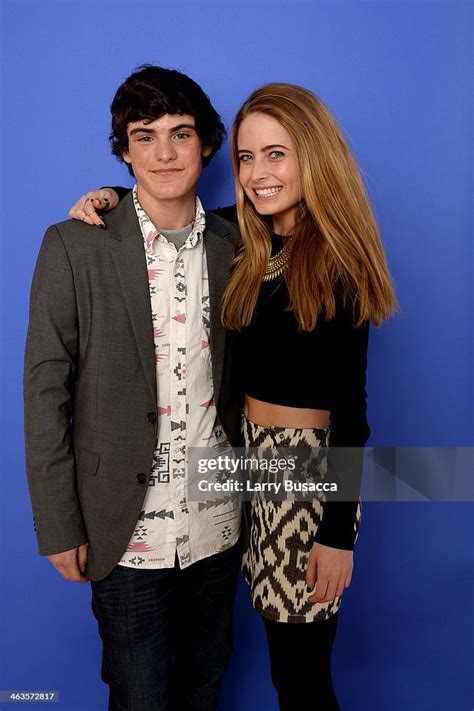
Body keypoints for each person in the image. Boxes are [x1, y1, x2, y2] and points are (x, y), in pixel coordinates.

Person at [69, 82, 397, 710]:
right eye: (246, 158)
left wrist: (335, 537)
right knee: (272, 662)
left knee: (299, 674)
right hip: (246, 464)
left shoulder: (336, 260)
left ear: (313, 157)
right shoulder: (246, 240)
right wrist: (105, 196)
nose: (257, 174)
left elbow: (352, 416)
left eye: (276, 154)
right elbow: (165, 207)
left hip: (305, 478)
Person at [24, 65, 243, 711]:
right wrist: (57, 522)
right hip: (123, 529)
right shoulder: (74, 245)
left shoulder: (241, 243)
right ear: (123, 150)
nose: (165, 152)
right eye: (145, 137)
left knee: (205, 684)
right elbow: (44, 391)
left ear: (207, 143)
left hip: (221, 522)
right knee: (140, 695)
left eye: (181, 134)